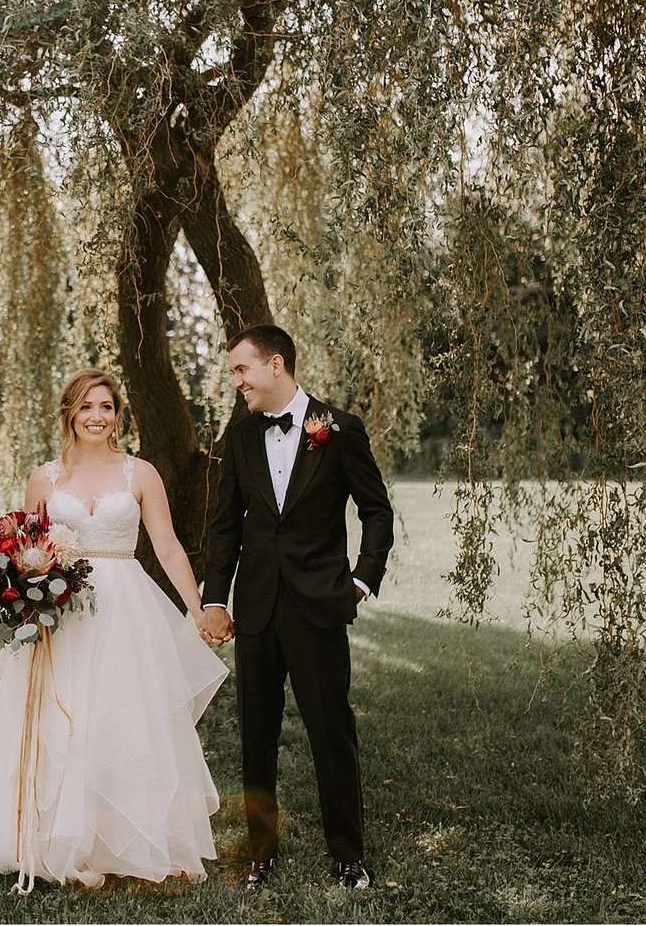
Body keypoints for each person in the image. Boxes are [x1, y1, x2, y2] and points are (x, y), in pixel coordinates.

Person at [0, 369, 231, 892]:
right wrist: (23, 593)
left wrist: (198, 608)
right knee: (67, 720)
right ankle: (61, 845)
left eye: (106, 407)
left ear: (117, 415)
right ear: (69, 414)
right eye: (86, 407)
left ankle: (129, 840)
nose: (97, 416)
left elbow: (167, 547)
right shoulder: (44, 479)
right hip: (64, 609)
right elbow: (23, 547)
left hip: (127, 606)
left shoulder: (140, 474)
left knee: (126, 719)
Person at [201, 324, 394, 891]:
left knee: (331, 730)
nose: (236, 381)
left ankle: (347, 856)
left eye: (242, 370)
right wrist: (215, 598)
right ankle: (260, 855)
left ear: (276, 364)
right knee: (255, 735)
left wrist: (362, 580)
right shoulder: (238, 440)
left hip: (318, 606)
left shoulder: (338, 429)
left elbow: (375, 510)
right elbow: (224, 527)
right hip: (256, 608)